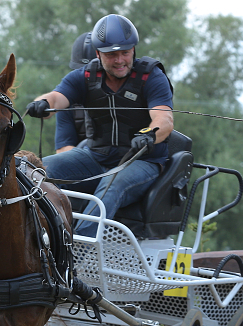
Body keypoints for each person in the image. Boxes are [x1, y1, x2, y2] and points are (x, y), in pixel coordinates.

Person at [26, 14, 174, 237]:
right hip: (96, 158)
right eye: (112, 54)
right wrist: (42, 103)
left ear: (133, 49)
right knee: (33, 171)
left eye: (125, 52)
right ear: (98, 54)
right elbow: (56, 98)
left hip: (141, 161)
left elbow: (164, 120)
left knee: (111, 184)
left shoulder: (151, 77)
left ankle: (77, 255)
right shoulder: (84, 77)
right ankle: (31, 239)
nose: (120, 60)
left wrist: (149, 135)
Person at [55, 32, 93, 153]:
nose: (86, 78)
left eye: (92, 73)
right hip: (86, 166)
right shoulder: (66, 100)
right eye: (80, 72)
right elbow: (62, 149)